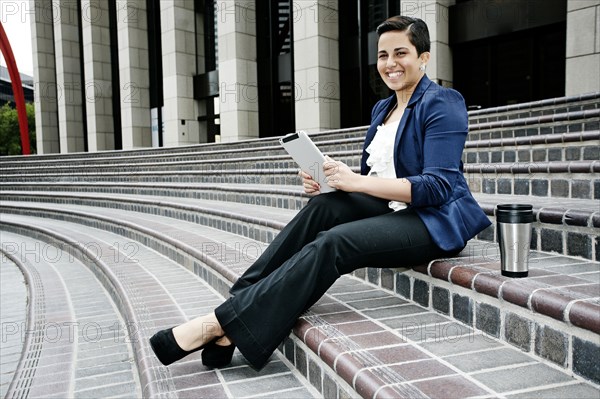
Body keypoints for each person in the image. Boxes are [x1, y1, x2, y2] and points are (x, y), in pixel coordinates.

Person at [149, 15, 491, 370]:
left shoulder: (443, 103)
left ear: (423, 57)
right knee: (323, 205)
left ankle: (215, 325)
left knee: (334, 242)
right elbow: (382, 174)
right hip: (391, 207)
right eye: (383, 55)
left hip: (432, 220)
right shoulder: (383, 108)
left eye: (400, 53)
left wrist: (355, 182)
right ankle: (232, 317)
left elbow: (437, 187)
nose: (390, 64)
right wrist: (331, 181)